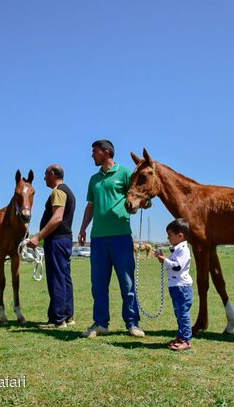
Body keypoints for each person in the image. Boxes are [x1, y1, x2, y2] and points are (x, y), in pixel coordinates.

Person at [78, 139, 144, 338]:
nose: (92, 155)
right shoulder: (94, 179)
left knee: (127, 284)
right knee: (98, 285)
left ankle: (132, 324)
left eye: (94, 152)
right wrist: (82, 229)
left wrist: (137, 206)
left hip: (121, 237)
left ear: (106, 153)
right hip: (98, 239)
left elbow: (137, 196)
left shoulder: (125, 173)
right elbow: (90, 206)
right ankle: (100, 324)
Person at [27, 164, 76, 329]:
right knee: (64, 277)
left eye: (45, 175)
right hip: (65, 239)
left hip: (56, 240)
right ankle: (68, 316)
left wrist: (38, 236)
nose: (44, 178)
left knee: (56, 278)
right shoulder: (68, 190)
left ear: (52, 174)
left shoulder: (58, 191)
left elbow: (57, 218)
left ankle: (58, 319)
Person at [154, 219, 193, 351]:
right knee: (179, 314)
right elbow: (172, 263)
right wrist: (164, 258)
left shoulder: (184, 250)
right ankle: (181, 337)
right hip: (176, 286)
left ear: (180, 235)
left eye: (170, 235)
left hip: (182, 287)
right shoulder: (176, 250)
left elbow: (177, 267)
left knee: (183, 314)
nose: (168, 238)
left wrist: (164, 260)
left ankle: (186, 340)